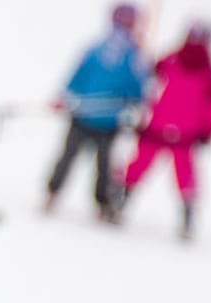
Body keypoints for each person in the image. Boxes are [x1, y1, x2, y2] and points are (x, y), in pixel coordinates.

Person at [116, 20, 211, 240]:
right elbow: (149, 79)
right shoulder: (175, 62)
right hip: (165, 128)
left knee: (178, 175)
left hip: (175, 130)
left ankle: (185, 218)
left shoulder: (203, 72)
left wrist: (207, 130)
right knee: (142, 168)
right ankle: (119, 203)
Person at [43, 3, 147, 222]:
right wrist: (64, 96)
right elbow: (80, 74)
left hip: (106, 121)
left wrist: (136, 100)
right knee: (71, 158)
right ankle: (54, 194)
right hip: (85, 116)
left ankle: (99, 204)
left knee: (101, 166)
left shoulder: (132, 55)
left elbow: (137, 91)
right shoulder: (102, 49)